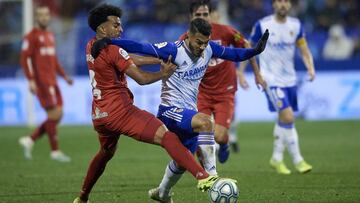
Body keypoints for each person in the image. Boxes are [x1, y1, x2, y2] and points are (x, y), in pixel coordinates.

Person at [91, 15, 269, 203]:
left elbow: (234, 54)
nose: (202, 47)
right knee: (206, 122)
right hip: (169, 111)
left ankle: (162, 192)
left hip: (188, 112)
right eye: (198, 42)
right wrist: (108, 41)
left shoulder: (209, 49)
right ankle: (212, 176)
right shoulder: (173, 50)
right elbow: (141, 47)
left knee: (183, 160)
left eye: (205, 43)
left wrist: (255, 50)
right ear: (188, 37)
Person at [73, 5, 221, 203]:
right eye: (115, 25)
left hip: (100, 115)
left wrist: (157, 57)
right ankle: (203, 177)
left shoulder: (91, 45)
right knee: (166, 136)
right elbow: (141, 79)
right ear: (102, 29)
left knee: (106, 153)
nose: (120, 29)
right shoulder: (113, 49)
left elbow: (128, 58)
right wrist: (163, 73)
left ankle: (82, 197)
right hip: (121, 112)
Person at [179, 0, 267, 164]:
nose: (203, 18)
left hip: (224, 92)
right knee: (201, 136)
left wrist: (255, 74)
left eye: (205, 14)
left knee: (219, 135)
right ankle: (208, 174)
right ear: (190, 17)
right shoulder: (184, 39)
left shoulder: (225, 31)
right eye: (198, 15)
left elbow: (246, 47)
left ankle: (224, 144)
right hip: (201, 93)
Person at [249, 0, 315, 175]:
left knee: (284, 118)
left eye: (286, 1)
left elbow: (304, 48)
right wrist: (243, 72)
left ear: (290, 5)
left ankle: (276, 158)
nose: (283, 4)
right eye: (279, 1)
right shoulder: (263, 25)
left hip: (290, 80)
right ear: (274, 5)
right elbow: (249, 48)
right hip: (270, 78)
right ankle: (298, 160)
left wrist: (310, 67)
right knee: (288, 116)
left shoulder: (296, 25)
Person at [19, 5, 73, 162]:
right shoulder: (31, 36)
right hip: (42, 82)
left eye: (46, 15)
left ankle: (30, 140)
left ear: (49, 17)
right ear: (37, 17)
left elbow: (53, 60)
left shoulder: (49, 35)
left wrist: (64, 77)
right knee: (54, 114)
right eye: (41, 15)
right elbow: (24, 59)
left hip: (53, 81)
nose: (44, 17)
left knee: (59, 114)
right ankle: (55, 151)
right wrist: (30, 80)